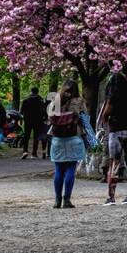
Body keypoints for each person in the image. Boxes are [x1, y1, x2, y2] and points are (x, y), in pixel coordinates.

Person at [98, 73, 127, 205]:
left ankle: (111, 197)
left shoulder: (113, 96)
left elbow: (106, 113)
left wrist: (106, 121)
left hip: (116, 131)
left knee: (115, 162)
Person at [48, 80, 88, 208]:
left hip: (57, 139)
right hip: (74, 137)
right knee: (70, 168)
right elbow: (85, 119)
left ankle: (57, 200)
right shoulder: (79, 101)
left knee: (58, 170)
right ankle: (67, 200)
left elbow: (50, 118)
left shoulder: (56, 101)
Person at [19, 87, 47, 160]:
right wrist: (45, 118)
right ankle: (34, 153)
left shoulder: (26, 100)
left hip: (28, 120)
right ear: (37, 92)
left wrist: (21, 119)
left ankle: (25, 151)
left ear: (31, 92)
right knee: (36, 137)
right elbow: (44, 110)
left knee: (26, 136)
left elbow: (21, 111)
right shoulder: (41, 100)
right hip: (38, 121)